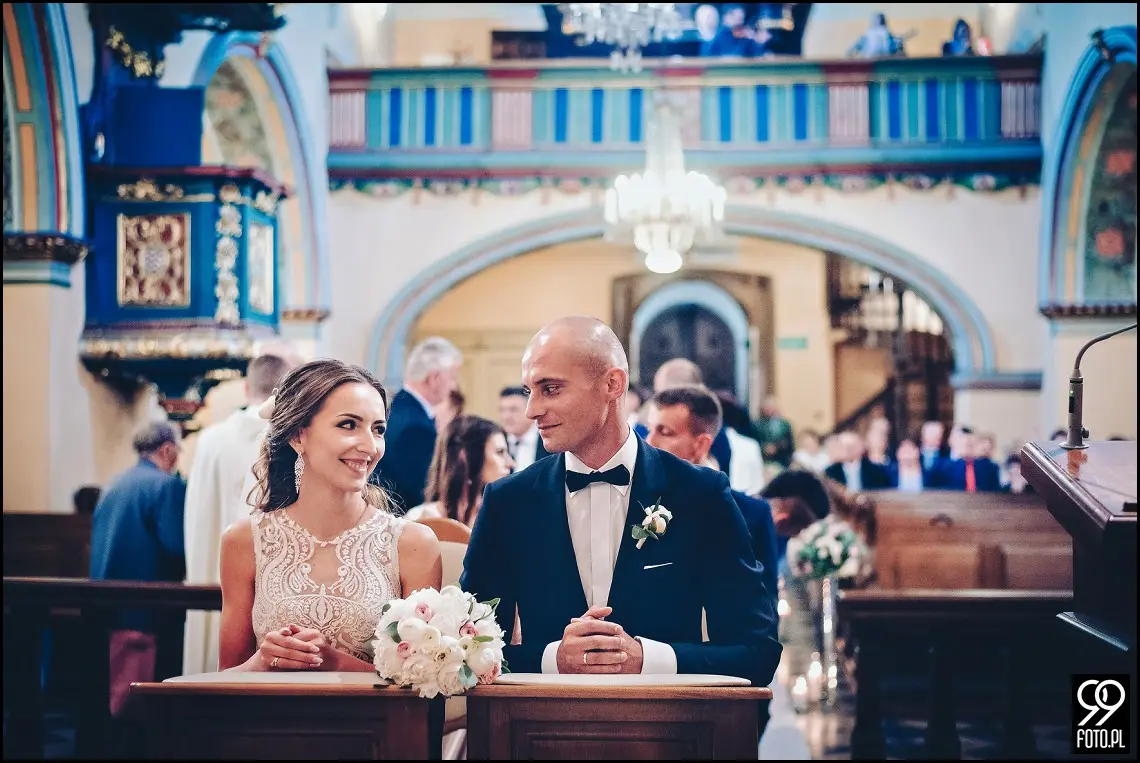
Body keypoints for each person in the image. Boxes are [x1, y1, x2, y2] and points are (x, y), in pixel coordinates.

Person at [461, 316, 781, 686]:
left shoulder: (700, 494)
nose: (532, 409)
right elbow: (470, 652)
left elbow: (757, 652)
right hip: (541, 731)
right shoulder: (508, 502)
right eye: (528, 390)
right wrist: (552, 658)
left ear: (613, 384)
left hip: (670, 732)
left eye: (550, 389)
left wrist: (649, 659)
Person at [218, 359, 442, 672]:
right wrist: (262, 661)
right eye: (348, 425)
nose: (369, 445)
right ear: (298, 436)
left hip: (372, 722)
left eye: (378, 429)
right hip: (268, 720)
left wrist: (336, 663)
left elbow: (423, 687)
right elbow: (224, 683)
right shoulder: (243, 542)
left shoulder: (413, 544)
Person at [183, 353, 293, 675]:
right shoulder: (288, 439)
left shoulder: (210, 440)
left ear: (246, 387)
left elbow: (197, 517)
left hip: (208, 577)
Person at [89, 421, 187, 715]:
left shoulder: (115, 483)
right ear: (167, 450)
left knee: (114, 695)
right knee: (136, 703)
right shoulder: (165, 485)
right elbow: (176, 546)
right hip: (145, 611)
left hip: (107, 604)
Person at [644, 385, 779, 598]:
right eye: (649, 429)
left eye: (665, 432)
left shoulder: (752, 515)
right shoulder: (639, 504)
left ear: (701, 445)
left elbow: (765, 610)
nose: (649, 442)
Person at [370, 337, 463, 511]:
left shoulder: (396, 407)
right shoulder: (416, 426)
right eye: (452, 378)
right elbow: (421, 491)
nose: (453, 386)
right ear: (435, 378)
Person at [406, 414, 515, 527]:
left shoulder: (503, 517)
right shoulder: (421, 520)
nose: (511, 463)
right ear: (466, 458)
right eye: (500, 452)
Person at [499, 386, 549, 471]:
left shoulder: (547, 439)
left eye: (513, 410)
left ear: (530, 410)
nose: (506, 416)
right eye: (502, 410)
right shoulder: (498, 441)